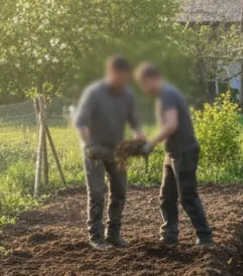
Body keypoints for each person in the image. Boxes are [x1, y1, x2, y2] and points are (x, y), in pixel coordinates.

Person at [134, 62, 214, 246]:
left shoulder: (168, 94)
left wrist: (151, 144)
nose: (144, 89)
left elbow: (171, 125)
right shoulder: (163, 96)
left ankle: (205, 237)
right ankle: (169, 234)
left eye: (143, 84)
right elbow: (166, 127)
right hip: (171, 153)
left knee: (187, 196)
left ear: (151, 79)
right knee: (167, 197)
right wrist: (148, 140)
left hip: (184, 151)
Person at [74, 56, 145, 250]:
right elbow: (80, 122)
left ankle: (113, 233)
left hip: (117, 149)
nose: (124, 81)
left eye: (126, 78)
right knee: (97, 192)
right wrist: (89, 144)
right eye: (121, 77)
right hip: (94, 150)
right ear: (112, 73)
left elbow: (135, 121)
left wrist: (139, 135)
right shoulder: (95, 93)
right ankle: (96, 236)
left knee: (120, 190)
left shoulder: (127, 95)